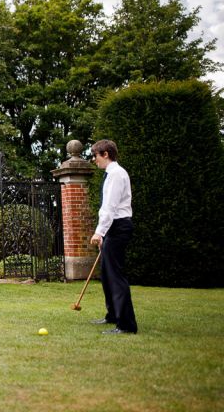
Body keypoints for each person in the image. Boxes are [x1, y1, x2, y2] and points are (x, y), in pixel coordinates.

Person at [90, 139, 138, 334]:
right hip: (113, 228)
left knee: (115, 275)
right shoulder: (111, 174)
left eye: (95, 156)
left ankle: (126, 325)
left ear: (106, 154)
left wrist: (99, 232)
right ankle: (113, 315)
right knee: (107, 274)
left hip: (119, 227)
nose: (94, 160)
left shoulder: (116, 174)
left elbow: (110, 207)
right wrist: (103, 233)